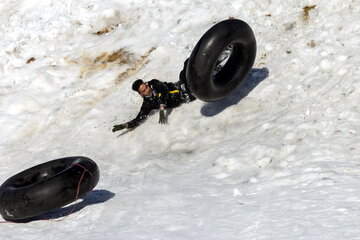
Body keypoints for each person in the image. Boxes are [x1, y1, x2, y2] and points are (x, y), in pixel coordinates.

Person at [112, 60, 196, 132]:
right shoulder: (148, 104)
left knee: (188, 63)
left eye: (146, 87)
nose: (147, 90)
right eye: (144, 90)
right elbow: (139, 119)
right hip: (185, 95)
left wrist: (162, 106)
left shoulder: (154, 83)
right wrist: (125, 125)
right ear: (140, 94)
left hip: (182, 84)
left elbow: (163, 90)